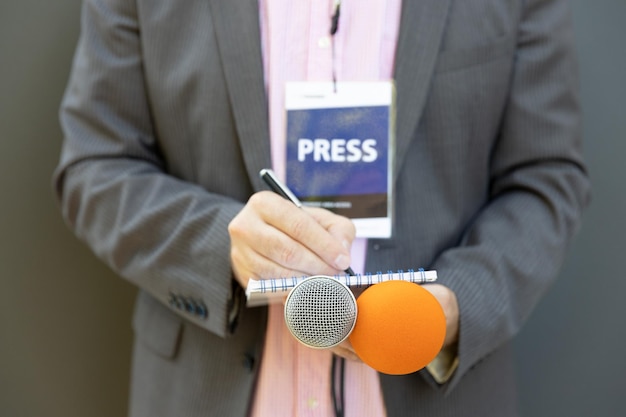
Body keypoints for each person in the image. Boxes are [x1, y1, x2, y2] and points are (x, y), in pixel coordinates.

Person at [53, 0, 590, 416]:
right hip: (204, 390)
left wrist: (454, 307)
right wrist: (222, 246)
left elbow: (546, 178)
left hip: (436, 394)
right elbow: (96, 166)